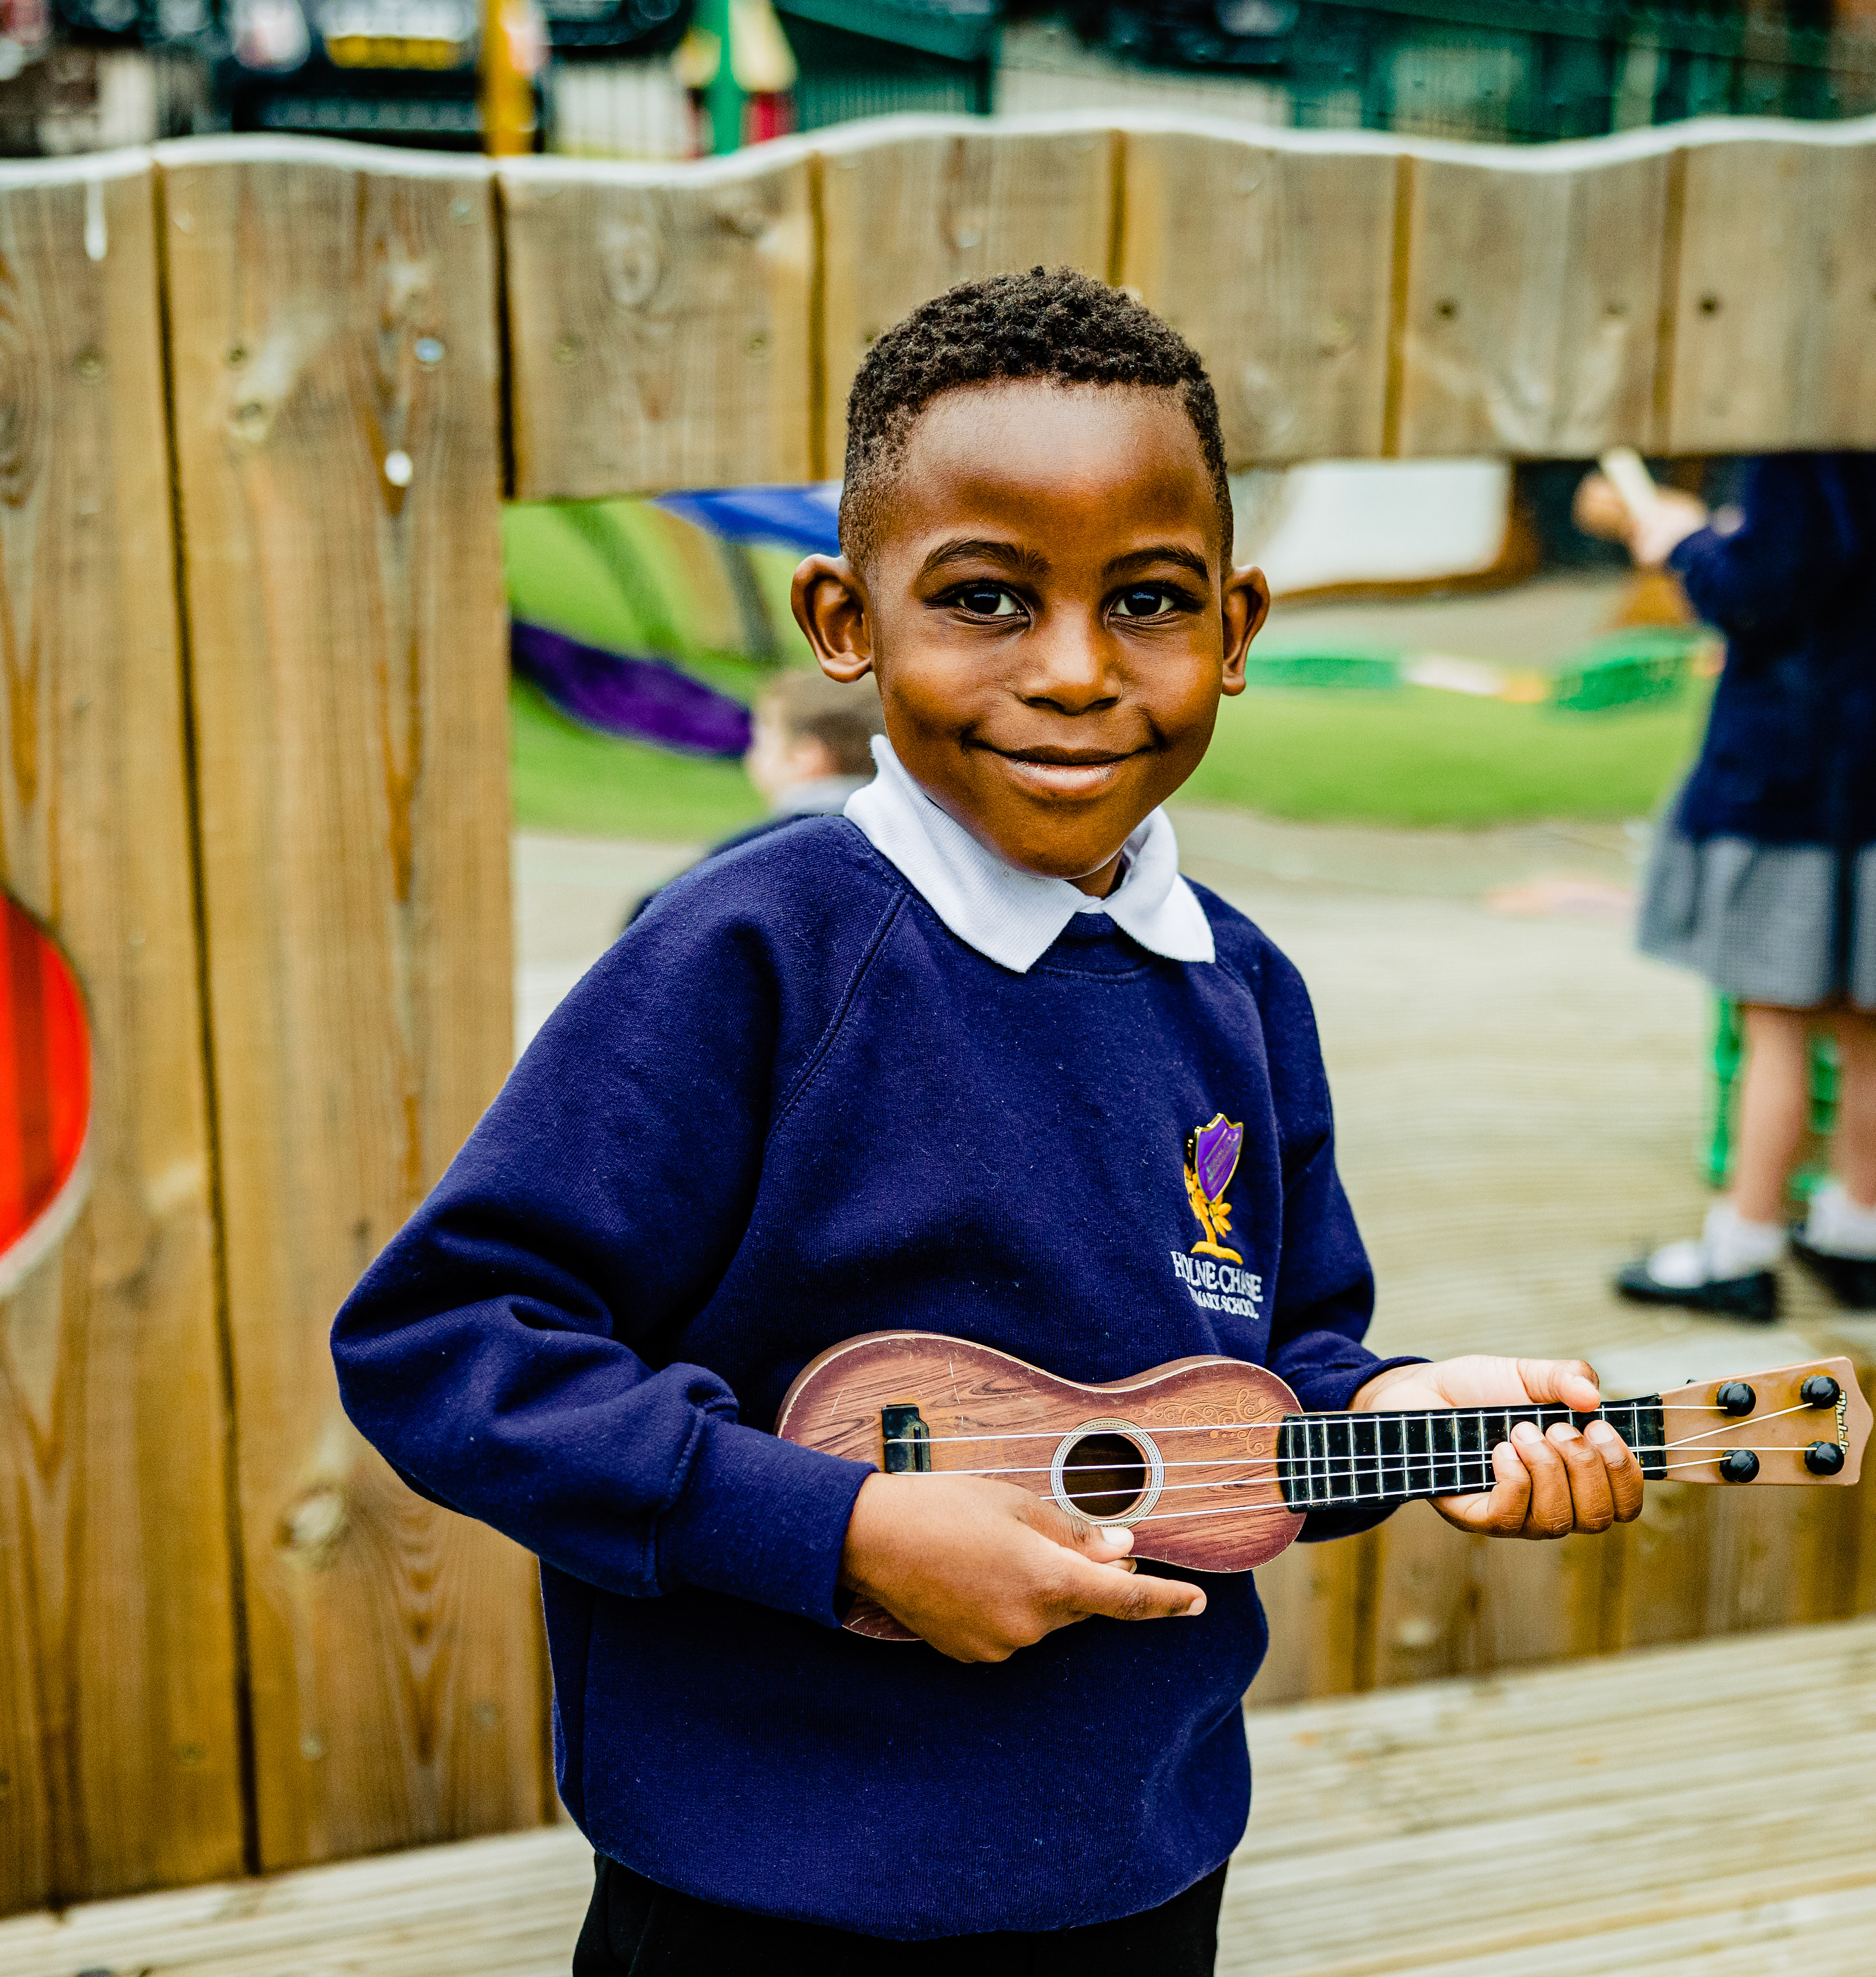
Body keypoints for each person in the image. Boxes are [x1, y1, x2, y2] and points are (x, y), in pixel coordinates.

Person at [333, 267, 1644, 1974]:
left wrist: (1407, 1410)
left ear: (1238, 630)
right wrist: (843, 1530)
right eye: (988, 599)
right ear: (844, 620)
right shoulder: (750, 956)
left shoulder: (1241, 990)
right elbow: (446, 1340)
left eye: (1151, 599)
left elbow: (1267, 1377)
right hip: (766, 1896)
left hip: (1136, 1873)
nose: (1080, 670)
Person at [1581, 449, 1876, 1320]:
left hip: (1804, 782)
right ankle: (1859, 1237)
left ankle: (1742, 1249)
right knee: (1869, 1016)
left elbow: (1762, 589)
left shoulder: (1820, 430)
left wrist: (1686, 542)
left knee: (1776, 1020)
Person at [626, 666, 882, 929]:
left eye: (762, 742)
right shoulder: (894, 840)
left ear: (803, 757)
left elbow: (647, 923)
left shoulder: (749, 850)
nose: (752, 755)